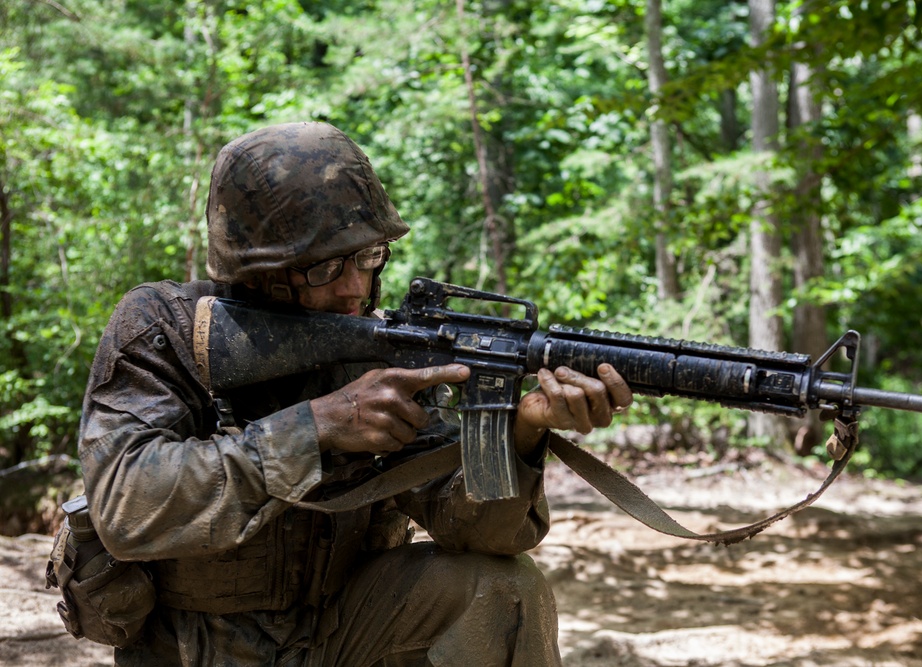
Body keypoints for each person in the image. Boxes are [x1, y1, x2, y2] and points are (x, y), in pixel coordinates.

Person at [76, 121, 633, 667]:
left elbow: (484, 533)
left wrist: (522, 433)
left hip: (347, 635)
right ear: (257, 271)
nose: (354, 287)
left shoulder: (378, 349)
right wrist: (316, 427)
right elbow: (125, 506)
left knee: (504, 587)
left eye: (367, 258)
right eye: (324, 267)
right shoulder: (165, 329)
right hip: (197, 649)